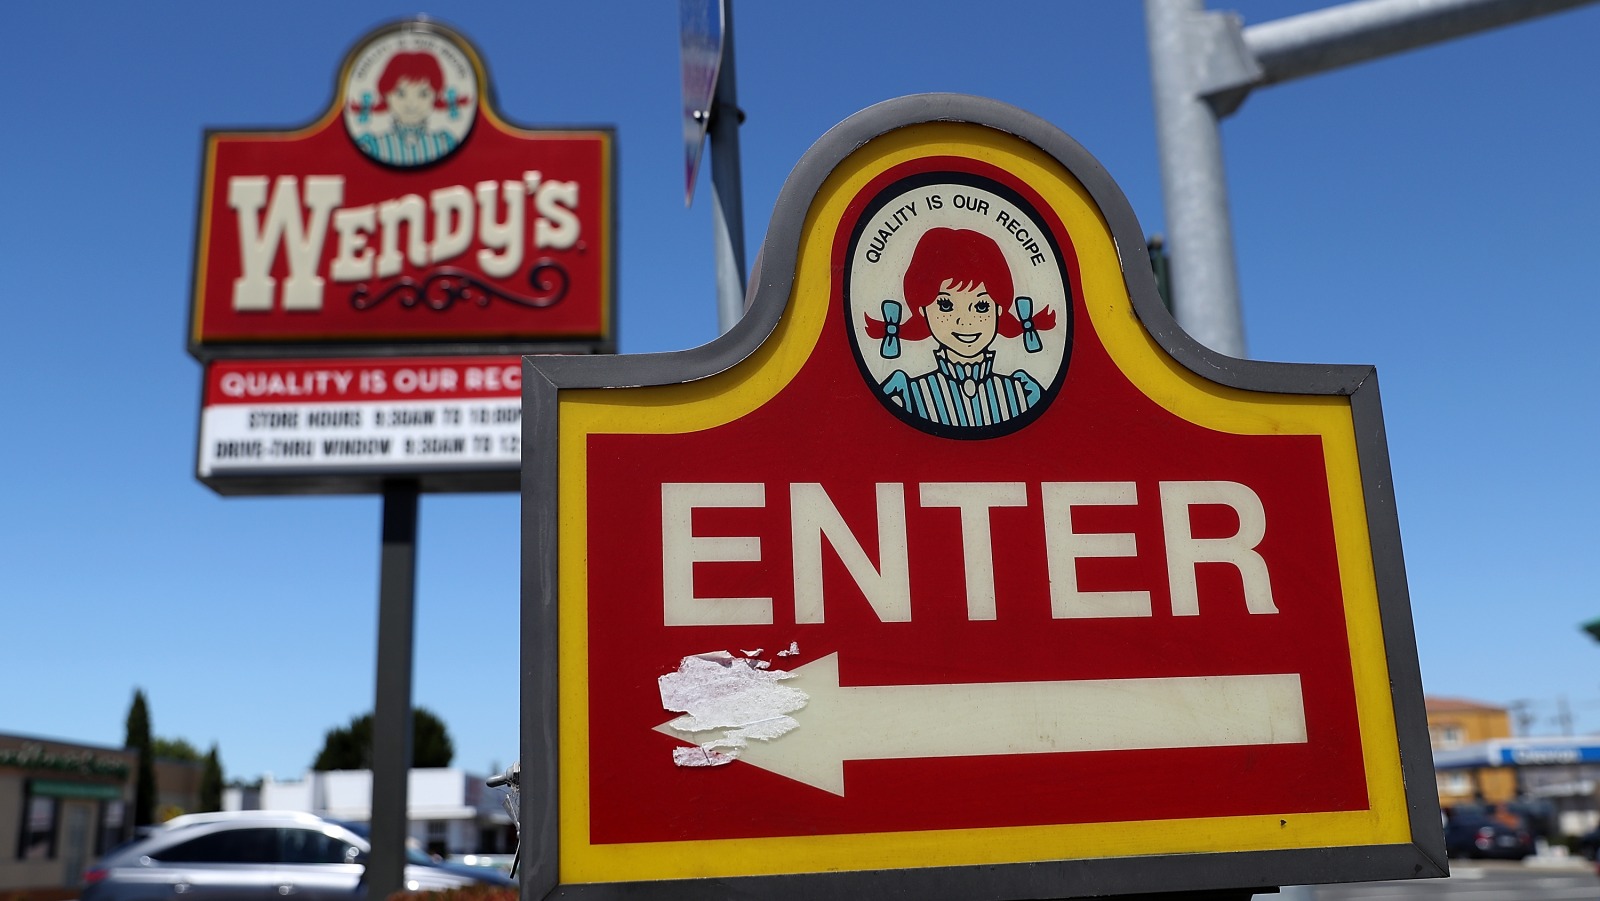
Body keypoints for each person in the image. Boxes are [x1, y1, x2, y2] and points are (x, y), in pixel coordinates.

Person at [865, 227, 1057, 429]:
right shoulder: (907, 391)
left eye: (981, 306)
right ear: (922, 309)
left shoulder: (1022, 390)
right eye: (946, 305)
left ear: (999, 309)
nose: (965, 322)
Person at [352, 51, 464, 166]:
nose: (412, 104)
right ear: (385, 95)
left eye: (423, 94)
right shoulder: (371, 145)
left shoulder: (445, 143)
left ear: (436, 96)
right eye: (400, 94)